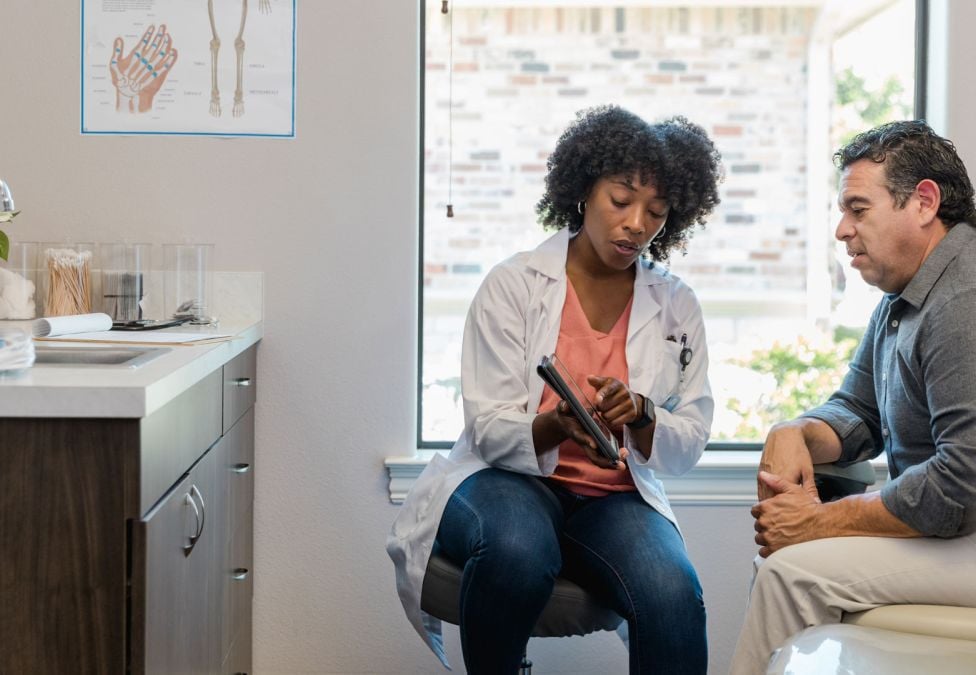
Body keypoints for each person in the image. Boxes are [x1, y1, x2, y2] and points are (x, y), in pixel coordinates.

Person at [387, 105, 722, 674]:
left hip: (614, 497)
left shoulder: (676, 304)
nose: (637, 224)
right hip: (508, 479)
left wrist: (642, 416)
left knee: (673, 593)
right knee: (516, 553)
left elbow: (689, 438)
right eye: (621, 201)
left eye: (657, 213)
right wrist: (554, 424)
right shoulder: (514, 285)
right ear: (583, 191)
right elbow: (489, 430)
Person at [730, 120, 976, 674]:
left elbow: (961, 483)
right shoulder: (905, 294)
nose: (842, 230)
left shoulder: (964, 297)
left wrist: (818, 520)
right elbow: (859, 409)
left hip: (968, 523)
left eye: (858, 209)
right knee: (789, 561)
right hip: (959, 528)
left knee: (788, 572)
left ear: (924, 202)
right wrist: (794, 431)